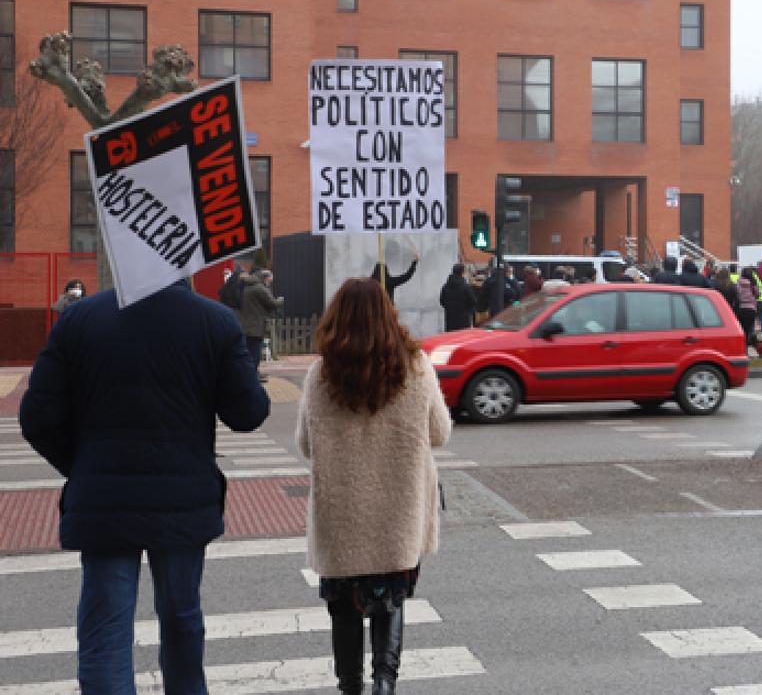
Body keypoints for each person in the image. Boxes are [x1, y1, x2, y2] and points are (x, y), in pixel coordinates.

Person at [20, 281, 270, 694]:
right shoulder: (213, 320)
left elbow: (37, 417)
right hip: (183, 500)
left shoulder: (79, 319)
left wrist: (80, 465)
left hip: (104, 501)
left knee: (105, 632)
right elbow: (249, 413)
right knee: (182, 621)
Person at [298, 278, 451, 694]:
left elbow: (305, 444)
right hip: (397, 512)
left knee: (343, 610)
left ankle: (351, 686)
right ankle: (385, 683)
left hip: (342, 514)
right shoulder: (416, 367)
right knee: (389, 603)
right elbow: (439, 432)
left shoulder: (320, 374)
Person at [241, 268, 283, 381]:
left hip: (246, 325)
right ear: (265, 278)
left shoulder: (246, 287)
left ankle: (252, 374)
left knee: (249, 352)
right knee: (255, 353)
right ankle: (253, 377)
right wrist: (280, 300)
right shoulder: (259, 288)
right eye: (269, 280)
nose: (269, 283)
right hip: (256, 326)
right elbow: (272, 303)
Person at [438, 263, 477, 331]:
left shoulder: (445, 286)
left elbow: (442, 301)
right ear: (462, 273)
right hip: (463, 321)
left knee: (451, 339)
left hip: (450, 320)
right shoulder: (466, 287)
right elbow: (473, 301)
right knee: (462, 339)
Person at [736, 266, 760, 351]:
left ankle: (743, 347)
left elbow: (737, 295)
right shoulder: (753, 284)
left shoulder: (738, 283)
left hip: (741, 308)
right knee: (750, 328)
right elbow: (758, 294)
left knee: (742, 329)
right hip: (751, 309)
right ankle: (751, 344)